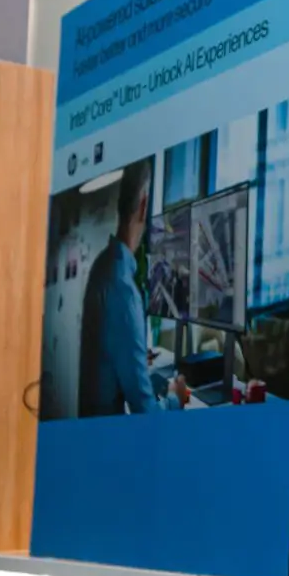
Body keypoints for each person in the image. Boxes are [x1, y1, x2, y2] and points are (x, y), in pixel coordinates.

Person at [79, 163, 161, 417]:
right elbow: (144, 410)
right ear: (144, 205)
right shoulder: (122, 288)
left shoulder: (102, 264)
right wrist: (174, 400)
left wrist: (133, 355)